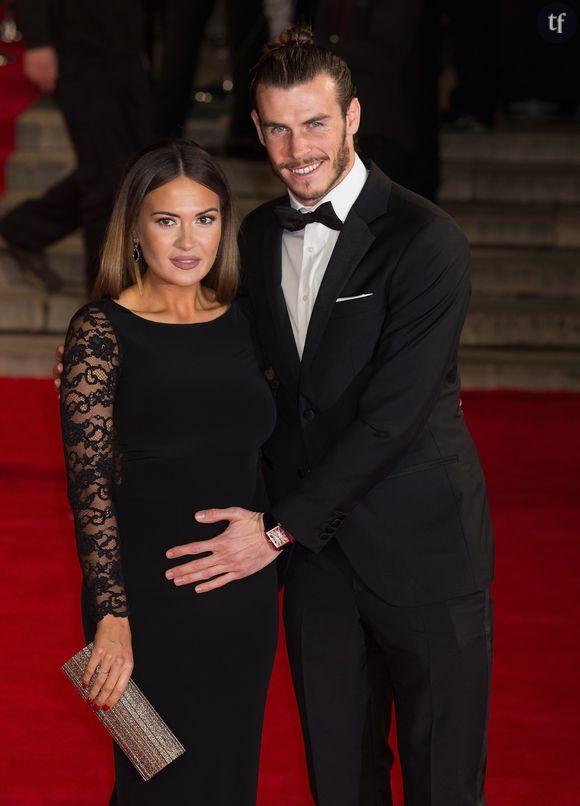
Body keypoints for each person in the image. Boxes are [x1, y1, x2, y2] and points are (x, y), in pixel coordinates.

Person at [159, 27, 495, 805]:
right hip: (318, 569)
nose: (296, 147)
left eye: (314, 123)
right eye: (277, 127)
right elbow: (238, 382)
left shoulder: (426, 240)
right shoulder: (252, 236)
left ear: (352, 117)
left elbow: (393, 417)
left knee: (444, 782)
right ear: (256, 128)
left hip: (423, 551)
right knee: (339, 782)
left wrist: (277, 531)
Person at [59, 140, 278, 805]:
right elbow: (89, 488)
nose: (190, 239)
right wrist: (110, 617)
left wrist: (270, 529)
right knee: (155, 781)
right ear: (135, 230)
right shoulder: (102, 329)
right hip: (143, 606)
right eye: (167, 220)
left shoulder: (248, 323)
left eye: (206, 219)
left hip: (241, 597)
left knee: (228, 779)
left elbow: (276, 451)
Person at [0, 0, 153, 291]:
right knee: (105, 178)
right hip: (77, 51)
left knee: (140, 169)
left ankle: (24, 227)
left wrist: (139, 44)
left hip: (127, 53)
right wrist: (38, 42)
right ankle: (104, 297)